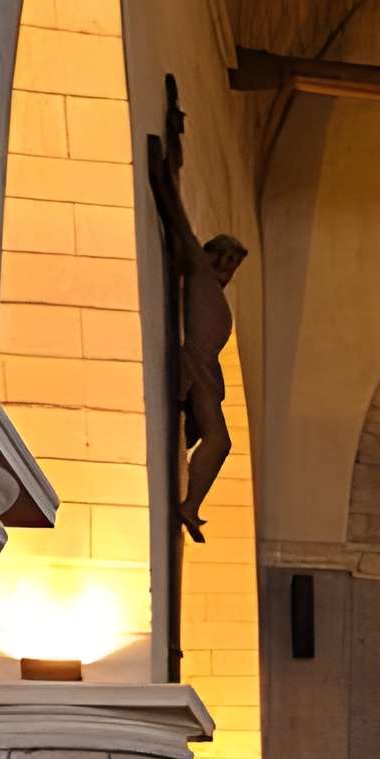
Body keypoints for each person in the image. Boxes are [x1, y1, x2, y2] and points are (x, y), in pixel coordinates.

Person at [147, 77, 248, 541]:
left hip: (205, 367)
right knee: (219, 439)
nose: (226, 272)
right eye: (224, 262)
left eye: (232, 268)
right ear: (211, 256)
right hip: (196, 363)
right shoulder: (198, 269)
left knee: (221, 441)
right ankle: (188, 502)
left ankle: (190, 503)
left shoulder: (213, 287)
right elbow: (178, 220)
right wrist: (164, 166)